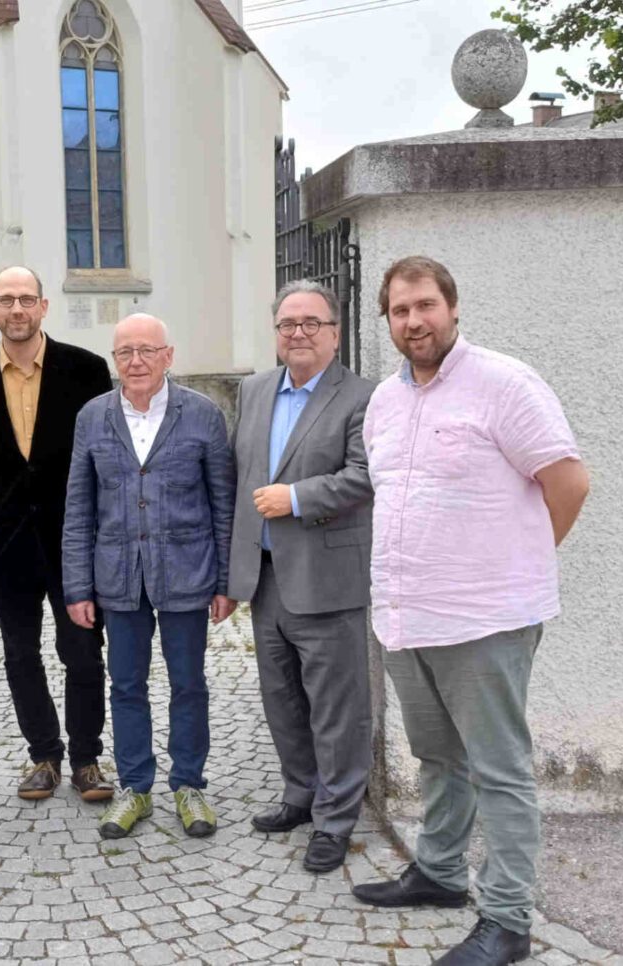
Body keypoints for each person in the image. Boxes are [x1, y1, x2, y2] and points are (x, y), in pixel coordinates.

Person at [352, 256, 589, 966]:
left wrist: (517, 566)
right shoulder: (386, 402)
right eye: (400, 310)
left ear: (452, 308)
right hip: (405, 616)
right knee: (437, 757)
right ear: (387, 322)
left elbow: (569, 482)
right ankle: (440, 873)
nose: (414, 321)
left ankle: (509, 919)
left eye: (425, 305)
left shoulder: (505, 384)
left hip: (486, 621)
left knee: (499, 768)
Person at [62, 314, 236, 839]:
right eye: (124, 353)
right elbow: (78, 507)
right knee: (126, 685)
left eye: (146, 351)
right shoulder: (92, 417)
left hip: (187, 571)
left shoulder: (203, 415)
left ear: (168, 355)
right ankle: (135, 787)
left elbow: (222, 503)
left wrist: (226, 581)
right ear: (114, 360)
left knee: (189, 684)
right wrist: (77, 586)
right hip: (117, 576)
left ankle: (189, 785)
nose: (135, 362)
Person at [224, 279, 376, 874]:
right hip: (265, 578)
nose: (299, 333)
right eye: (288, 323)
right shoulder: (255, 390)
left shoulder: (363, 396)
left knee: (338, 708)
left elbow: (368, 476)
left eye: (312, 322)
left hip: (328, 577)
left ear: (335, 334)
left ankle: (337, 819)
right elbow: (240, 478)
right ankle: (300, 794)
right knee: (282, 697)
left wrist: (296, 496)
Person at [0, 266, 116, 802]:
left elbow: (104, 461)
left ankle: (88, 757)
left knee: (84, 652)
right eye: (6, 300)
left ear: (44, 307)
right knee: (20, 653)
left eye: (26, 299)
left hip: (74, 544)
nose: (16, 309)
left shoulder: (86, 371)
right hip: (5, 547)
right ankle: (44, 754)